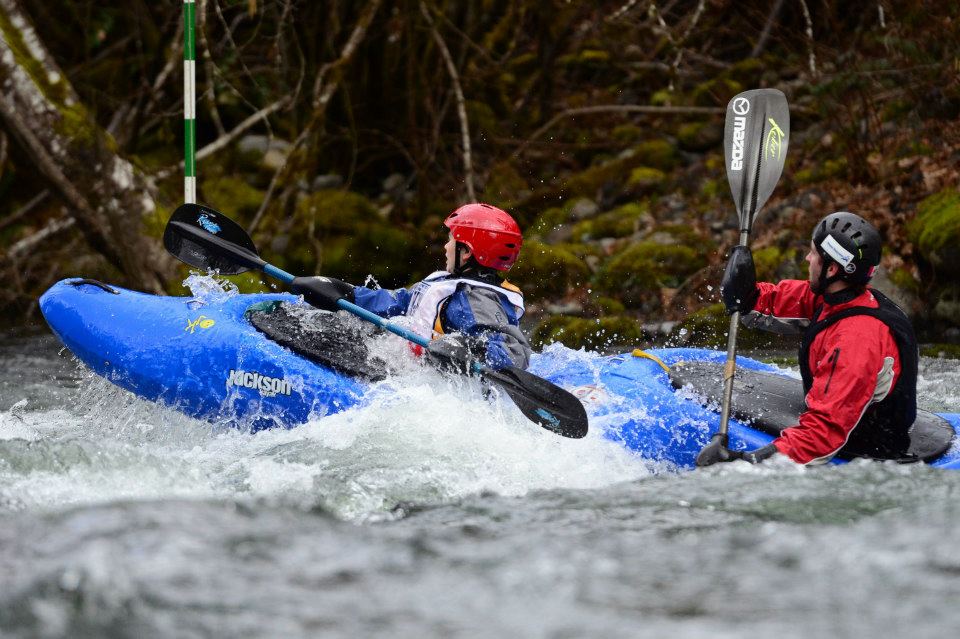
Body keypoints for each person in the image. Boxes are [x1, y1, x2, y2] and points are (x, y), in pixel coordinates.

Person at [707, 211, 919, 466]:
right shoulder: (837, 296)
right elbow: (776, 301)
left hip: (867, 448)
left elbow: (822, 435)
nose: (808, 258)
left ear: (831, 269)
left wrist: (743, 462)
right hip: (848, 417)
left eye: (814, 254)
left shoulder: (856, 340)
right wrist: (745, 293)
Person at [287, 202, 532, 373]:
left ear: (466, 251)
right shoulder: (447, 284)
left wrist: (466, 349)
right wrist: (347, 292)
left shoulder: (476, 300)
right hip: (419, 376)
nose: (445, 247)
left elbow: (513, 352)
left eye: (451, 240)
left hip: (443, 395)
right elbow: (400, 303)